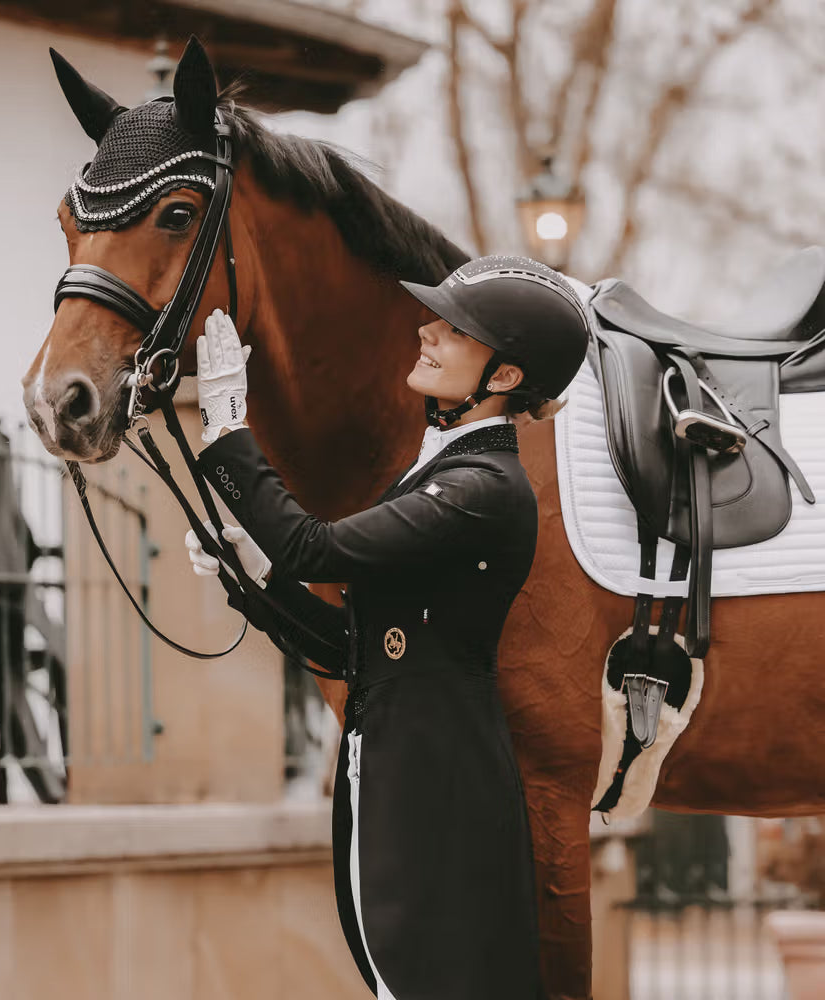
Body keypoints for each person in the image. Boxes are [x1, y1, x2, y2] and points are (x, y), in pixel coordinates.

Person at [184, 254, 589, 1000]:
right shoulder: (444, 473)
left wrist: (227, 435)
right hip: (406, 763)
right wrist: (253, 573)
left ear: (502, 378)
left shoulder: (481, 487)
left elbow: (317, 547)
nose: (428, 330)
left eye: (457, 328)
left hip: (437, 782)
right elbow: (356, 651)